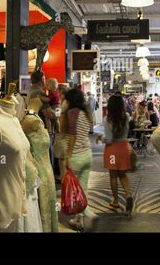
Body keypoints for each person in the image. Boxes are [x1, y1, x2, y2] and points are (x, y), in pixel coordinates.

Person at [64, 88, 95, 231]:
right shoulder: (85, 112)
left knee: (74, 191)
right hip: (87, 154)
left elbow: (72, 135)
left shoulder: (72, 112)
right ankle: (79, 220)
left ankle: (88, 214)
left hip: (76, 156)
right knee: (82, 189)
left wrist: (68, 156)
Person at [97, 95, 134, 215]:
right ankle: (128, 195)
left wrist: (101, 138)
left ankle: (116, 201)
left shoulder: (107, 119)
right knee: (122, 175)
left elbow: (108, 139)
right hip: (124, 148)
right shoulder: (126, 117)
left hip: (112, 150)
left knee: (113, 176)